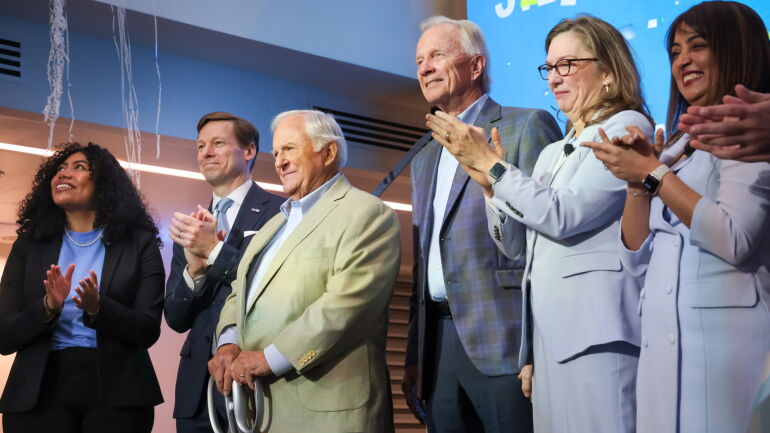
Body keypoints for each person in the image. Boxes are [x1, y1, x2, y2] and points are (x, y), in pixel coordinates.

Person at [428, 15, 653, 433]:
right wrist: (491, 189)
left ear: (607, 70)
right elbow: (517, 248)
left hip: (598, 337)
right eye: (549, 67)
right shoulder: (553, 152)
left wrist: (492, 166)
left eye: (567, 64)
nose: (554, 77)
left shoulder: (625, 127)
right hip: (550, 345)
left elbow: (565, 216)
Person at [583, 2, 770, 432]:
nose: (682, 60)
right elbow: (635, 258)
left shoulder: (748, 132)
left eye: (698, 46)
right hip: (665, 356)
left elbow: (734, 236)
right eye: (675, 51)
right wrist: (637, 182)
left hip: (728, 354)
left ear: (736, 50)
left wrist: (653, 175)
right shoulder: (676, 146)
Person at [405, 15, 561, 433]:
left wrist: (539, 347)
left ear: (475, 66)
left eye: (437, 55)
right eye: (420, 60)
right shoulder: (423, 157)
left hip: (506, 339)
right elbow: (425, 261)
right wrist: (414, 356)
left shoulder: (525, 124)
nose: (424, 67)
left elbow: (545, 236)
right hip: (438, 347)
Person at [207, 110, 401, 433]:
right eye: (277, 152)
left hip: (329, 415)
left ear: (329, 152)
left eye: (290, 149)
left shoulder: (368, 215)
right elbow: (238, 293)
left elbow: (344, 307)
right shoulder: (273, 226)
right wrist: (228, 343)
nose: (279, 161)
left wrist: (266, 358)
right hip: (263, 414)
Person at [0, 142, 164, 433]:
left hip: (119, 394)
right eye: (60, 169)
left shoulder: (139, 243)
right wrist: (47, 307)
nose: (65, 174)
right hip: (39, 390)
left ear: (104, 184)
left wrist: (98, 307)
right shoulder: (28, 244)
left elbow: (148, 329)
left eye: (79, 168)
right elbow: (4, 336)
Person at [164, 112, 282, 432]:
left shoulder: (281, 214)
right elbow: (175, 318)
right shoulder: (192, 226)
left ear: (249, 151)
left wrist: (213, 251)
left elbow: (267, 289)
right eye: (201, 146)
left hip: (258, 384)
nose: (206, 152)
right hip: (197, 391)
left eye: (218, 143)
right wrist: (195, 269)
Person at [679, 84, 770, 162]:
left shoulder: (747, 134)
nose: (680, 63)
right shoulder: (680, 138)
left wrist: (663, 169)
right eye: (674, 62)